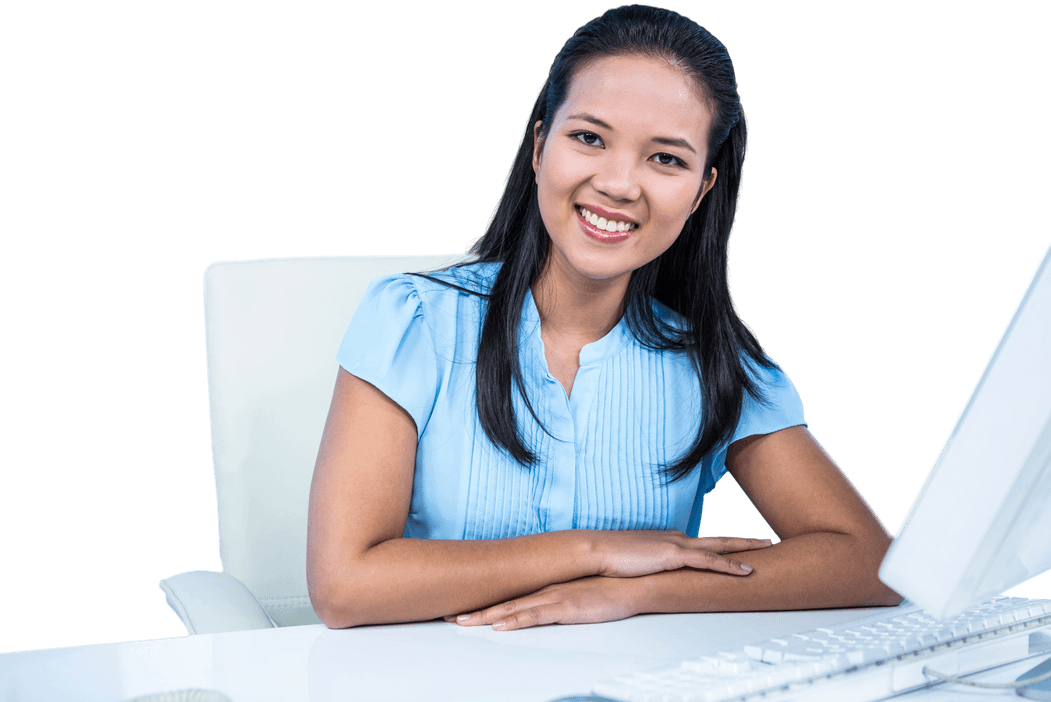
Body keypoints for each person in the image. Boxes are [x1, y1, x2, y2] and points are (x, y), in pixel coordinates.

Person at [306, 4, 902, 632]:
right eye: (589, 137)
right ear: (540, 148)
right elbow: (345, 586)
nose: (619, 184)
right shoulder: (418, 321)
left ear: (701, 191)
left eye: (666, 159)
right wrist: (594, 553)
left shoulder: (712, 363)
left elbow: (869, 562)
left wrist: (643, 592)